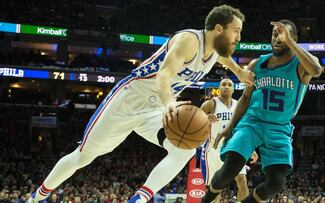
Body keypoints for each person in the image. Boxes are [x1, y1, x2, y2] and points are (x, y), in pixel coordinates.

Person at [27, 4, 255, 203]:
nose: (239, 37)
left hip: (154, 110)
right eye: (236, 31)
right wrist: (169, 104)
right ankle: (38, 196)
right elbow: (164, 75)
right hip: (130, 99)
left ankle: (140, 198)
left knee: (185, 149)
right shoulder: (189, 40)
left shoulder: (215, 50)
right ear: (218, 29)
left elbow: (224, 57)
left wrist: (238, 71)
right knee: (84, 156)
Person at [201, 19, 322, 203]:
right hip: (251, 123)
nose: (277, 39)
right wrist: (231, 127)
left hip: (279, 127)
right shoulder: (256, 64)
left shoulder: (300, 65)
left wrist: (289, 41)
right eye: (275, 34)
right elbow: (245, 98)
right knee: (231, 168)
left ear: (293, 39)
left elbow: (317, 69)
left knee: (276, 183)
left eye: (283, 35)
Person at [200, 78, 258, 203]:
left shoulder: (238, 105)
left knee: (242, 180)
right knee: (215, 186)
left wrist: (251, 148)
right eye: (224, 85)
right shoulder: (210, 104)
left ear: (233, 88)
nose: (226, 87)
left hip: (234, 146)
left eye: (229, 85)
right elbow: (194, 120)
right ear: (219, 88)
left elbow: (245, 127)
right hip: (214, 147)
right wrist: (204, 118)